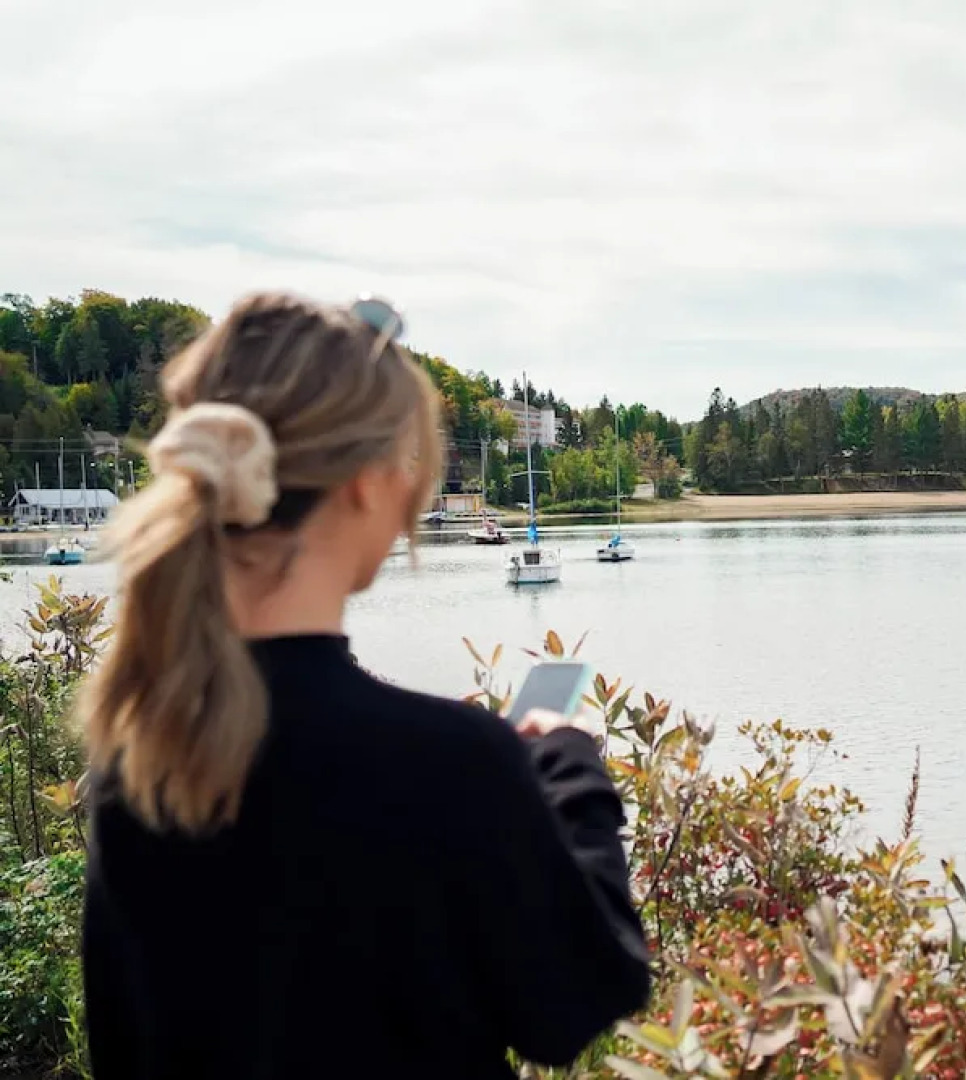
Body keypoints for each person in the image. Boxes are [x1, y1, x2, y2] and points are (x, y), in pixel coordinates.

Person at [76, 293, 649, 1079]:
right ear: (362, 481)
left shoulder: (140, 758)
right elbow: (580, 1000)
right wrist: (570, 769)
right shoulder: (448, 763)